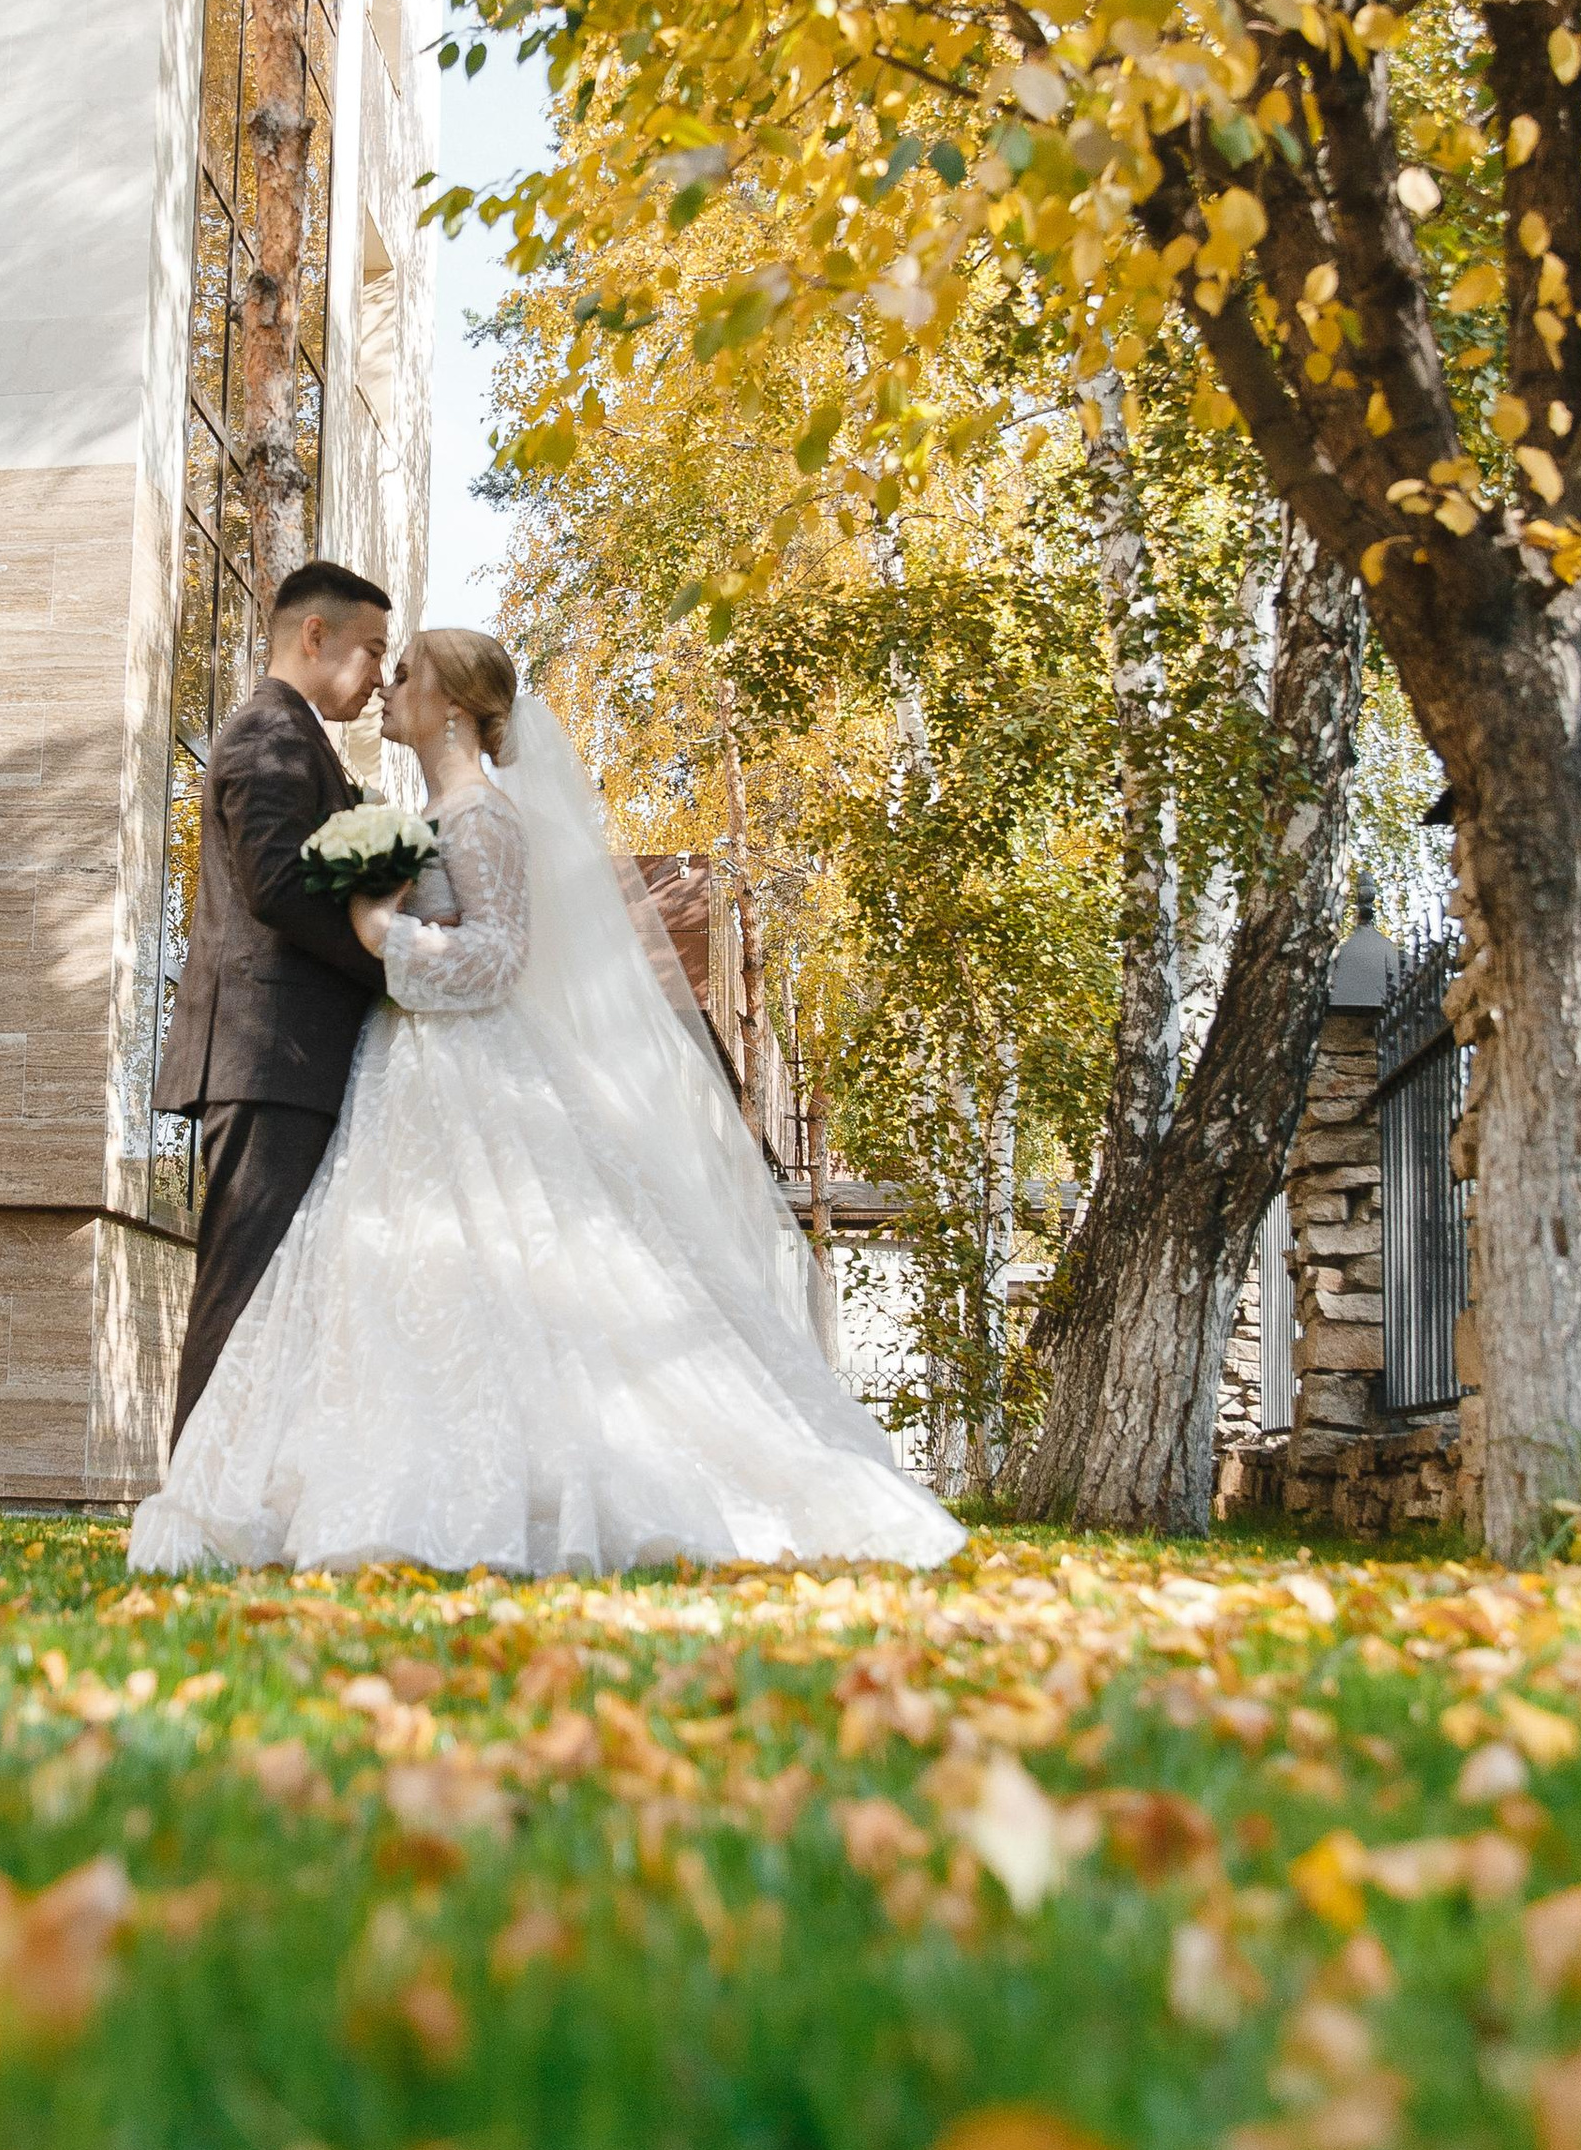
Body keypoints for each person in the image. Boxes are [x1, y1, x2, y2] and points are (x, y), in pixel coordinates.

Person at [128, 625, 965, 1576]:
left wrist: (378, 933)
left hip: (469, 1069)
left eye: (409, 674)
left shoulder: (481, 816)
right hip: (406, 1070)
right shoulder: (436, 809)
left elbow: (497, 956)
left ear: (450, 703)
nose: (391, 686)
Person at [152, 559, 393, 1441]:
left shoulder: (294, 736)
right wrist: (396, 960)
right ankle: (194, 1502)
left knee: (279, 1290)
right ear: (314, 635)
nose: (375, 677)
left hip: (291, 1058)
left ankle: (242, 1492)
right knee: (244, 1287)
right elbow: (278, 887)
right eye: (371, 652)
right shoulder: (268, 736)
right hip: (267, 1055)